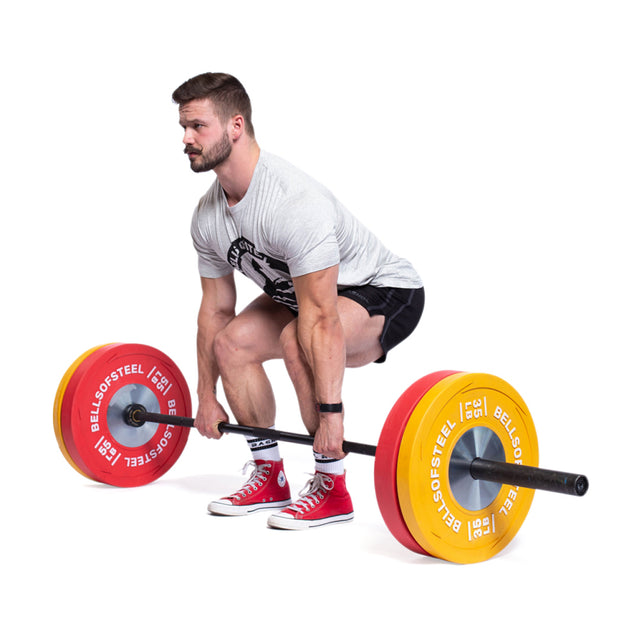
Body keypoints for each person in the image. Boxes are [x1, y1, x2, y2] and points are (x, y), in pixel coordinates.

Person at [172, 72, 424, 529]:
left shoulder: (291, 202)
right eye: (182, 128)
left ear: (235, 126)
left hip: (381, 288)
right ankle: (269, 476)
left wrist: (331, 418)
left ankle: (333, 487)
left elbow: (321, 318)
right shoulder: (207, 217)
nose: (186, 139)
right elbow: (214, 311)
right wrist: (205, 396)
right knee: (230, 343)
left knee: (296, 339)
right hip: (304, 294)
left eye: (197, 127)